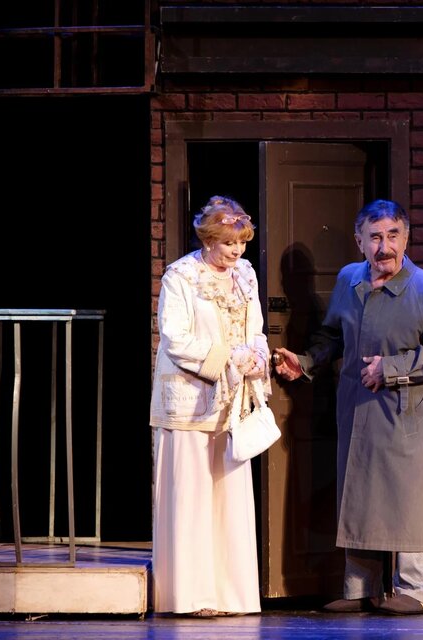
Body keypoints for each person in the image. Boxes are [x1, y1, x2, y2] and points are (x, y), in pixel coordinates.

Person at [273, 199, 423, 616]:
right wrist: (304, 363)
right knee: (360, 495)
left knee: (407, 497)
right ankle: (360, 588)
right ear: (360, 241)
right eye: (375, 237)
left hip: (405, 413)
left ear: (406, 239)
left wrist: (390, 368)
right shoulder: (348, 280)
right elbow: (332, 336)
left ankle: (412, 589)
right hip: (358, 409)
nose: (384, 247)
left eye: (393, 236)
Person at [149, 195, 270, 617]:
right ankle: (192, 597)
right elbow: (175, 337)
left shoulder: (246, 275)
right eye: (228, 244)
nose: (237, 251)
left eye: (242, 243)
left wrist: (258, 357)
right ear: (208, 239)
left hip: (232, 400)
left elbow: (256, 328)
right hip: (189, 401)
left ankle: (231, 596)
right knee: (192, 497)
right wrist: (229, 358)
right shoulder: (181, 276)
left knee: (229, 498)